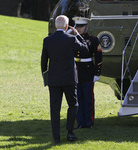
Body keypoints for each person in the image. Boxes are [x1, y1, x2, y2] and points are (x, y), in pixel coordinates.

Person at [41, 15, 89, 143]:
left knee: (55, 108)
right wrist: (78, 34)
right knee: (73, 105)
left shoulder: (47, 40)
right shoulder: (72, 39)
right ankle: (70, 132)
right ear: (67, 26)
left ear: (56, 25)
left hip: (54, 79)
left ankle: (56, 137)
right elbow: (85, 49)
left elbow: (43, 62)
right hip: (69, 79)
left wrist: (46, 77)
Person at [72, 16, 102, 129]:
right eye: (77, 26)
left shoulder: (93, 40)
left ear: (86, 27)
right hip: (76, 71)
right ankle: (80, 122)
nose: (79, 28)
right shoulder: (72, 38)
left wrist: (97, 73)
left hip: (88, 71)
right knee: (77, 98)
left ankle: (89, 122)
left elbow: (99, 57)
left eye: (81, 26)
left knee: (88, 98)